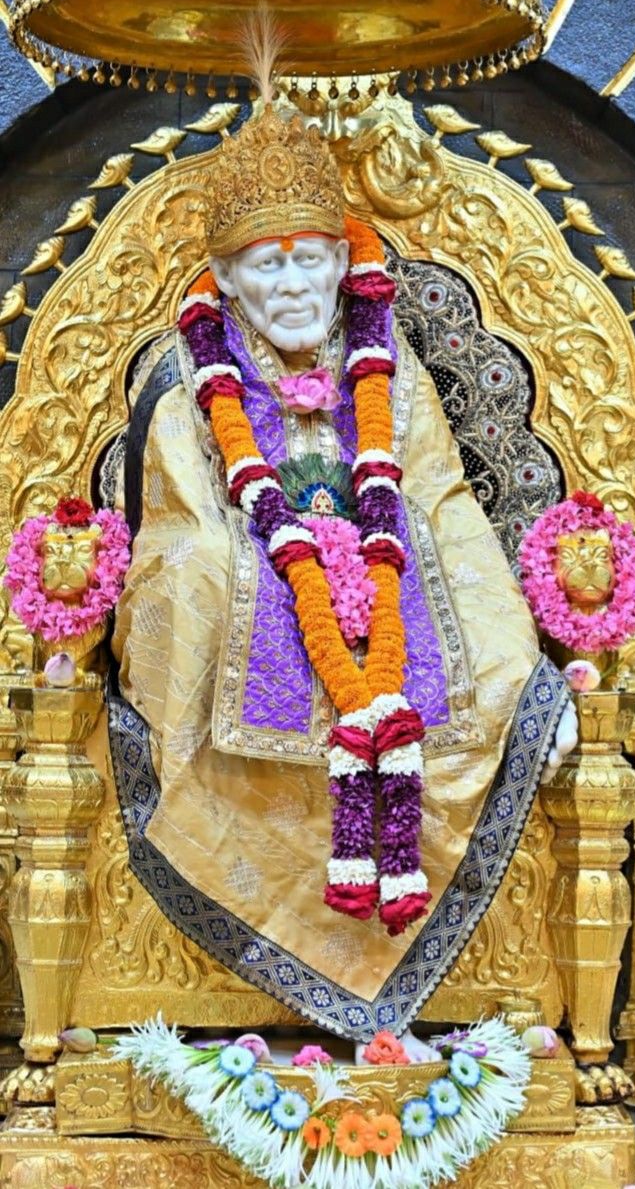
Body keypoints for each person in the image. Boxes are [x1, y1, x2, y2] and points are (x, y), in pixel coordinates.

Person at [111, 102, 575, 1041]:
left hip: (394, 596)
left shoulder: (389, 369)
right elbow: (182, 535)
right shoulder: (187, 384)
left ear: (342, 263)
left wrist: (523, 669)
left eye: (308, 258)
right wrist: (278, 581)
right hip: (252, 602)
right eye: (268, 264)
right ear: (231, 281)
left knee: (475, 622)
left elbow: (442, 504)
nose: (292, 285)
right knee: (201, 563)